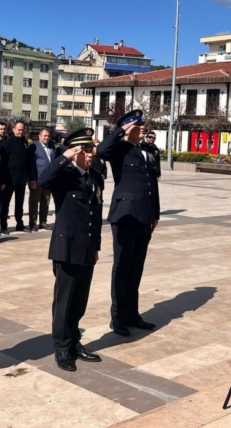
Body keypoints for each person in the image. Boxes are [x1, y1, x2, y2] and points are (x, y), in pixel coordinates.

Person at [39, 128, 104, 371]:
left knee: (79, 301)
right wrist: (64, 157)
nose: (89, 155)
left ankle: (75, 342)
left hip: (87, 247)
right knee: (64, 301)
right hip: (66, 247)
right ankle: (62, 347)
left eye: (91, 150)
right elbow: (43, 180)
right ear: (74, 151)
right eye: (84, 151)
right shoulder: (64, 176)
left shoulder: (95, 177)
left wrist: (96, 246)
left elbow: (96, 215)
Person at [97, 110, 160, 336]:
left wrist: (155, 214)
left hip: (144, 217)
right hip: (125, 216)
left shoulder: (147, 151)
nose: (143, 128)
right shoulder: (119, 149)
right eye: (138, 125)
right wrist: (120, 131)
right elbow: (101, 151)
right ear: (127, 128)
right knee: (122, 267)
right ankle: (118, 317)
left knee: (136, 268)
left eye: (143, 125)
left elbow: (152, 185)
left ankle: (133, 314)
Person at [0, 121, 31, 234]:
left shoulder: (25, 142)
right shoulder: (7, 143)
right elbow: (2, 163)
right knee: (5, 204)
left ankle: (19, 224)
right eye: (18, 130)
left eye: (22, 130)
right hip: (9, 179)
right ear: (13, 130)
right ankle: (3, 226)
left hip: (21, 179)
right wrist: (3, 180)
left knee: (19, 204)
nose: (20, 132)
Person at [26, 127, 57, 232]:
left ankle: (43, 222)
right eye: (45, 136)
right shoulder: (34, 147)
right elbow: (31, 165)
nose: (47, 138)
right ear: (39, 136)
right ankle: (32, 223)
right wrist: (32, 180)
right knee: (34, 202)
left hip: (48, 180)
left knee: (45, 202)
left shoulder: (52, 146)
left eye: (48, 136)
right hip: (37, 180)